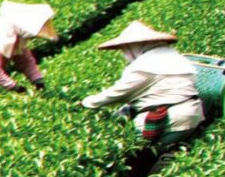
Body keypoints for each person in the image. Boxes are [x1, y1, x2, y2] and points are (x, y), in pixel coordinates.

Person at [82, 20, 206, 151]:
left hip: (171, 120)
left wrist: (89, 103)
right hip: (193, 114)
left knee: (120, 143)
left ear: (134, 46)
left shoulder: (144, 65)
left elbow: (119, 92)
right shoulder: (174, 56)